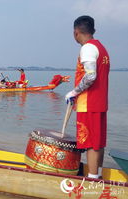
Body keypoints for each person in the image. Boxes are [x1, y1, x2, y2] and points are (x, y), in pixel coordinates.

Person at [65, 16, 110, 179]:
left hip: (89, 103)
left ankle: (92, 178)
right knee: (98, 141)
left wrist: (74, 92)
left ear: (76, 32)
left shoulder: (88, 48)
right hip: (100, 102)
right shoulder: (101, 48)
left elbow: (90, 76)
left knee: (91, 142)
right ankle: (97, 174)